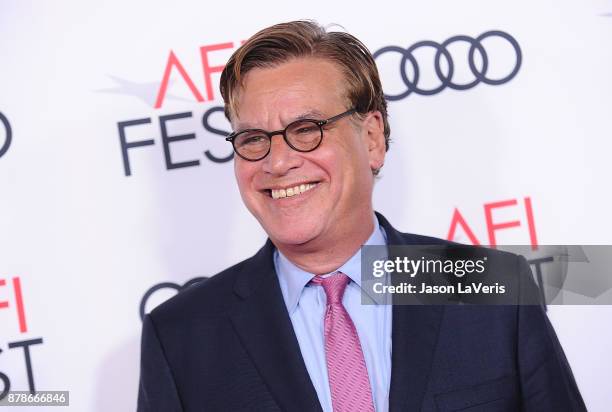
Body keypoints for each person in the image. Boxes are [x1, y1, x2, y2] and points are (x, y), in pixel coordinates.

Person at [137, 20, 586, 411]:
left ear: (371, 138)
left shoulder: (489, 290)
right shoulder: (180, 338)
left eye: (306, 130)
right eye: (254, 138)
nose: (276, 162)